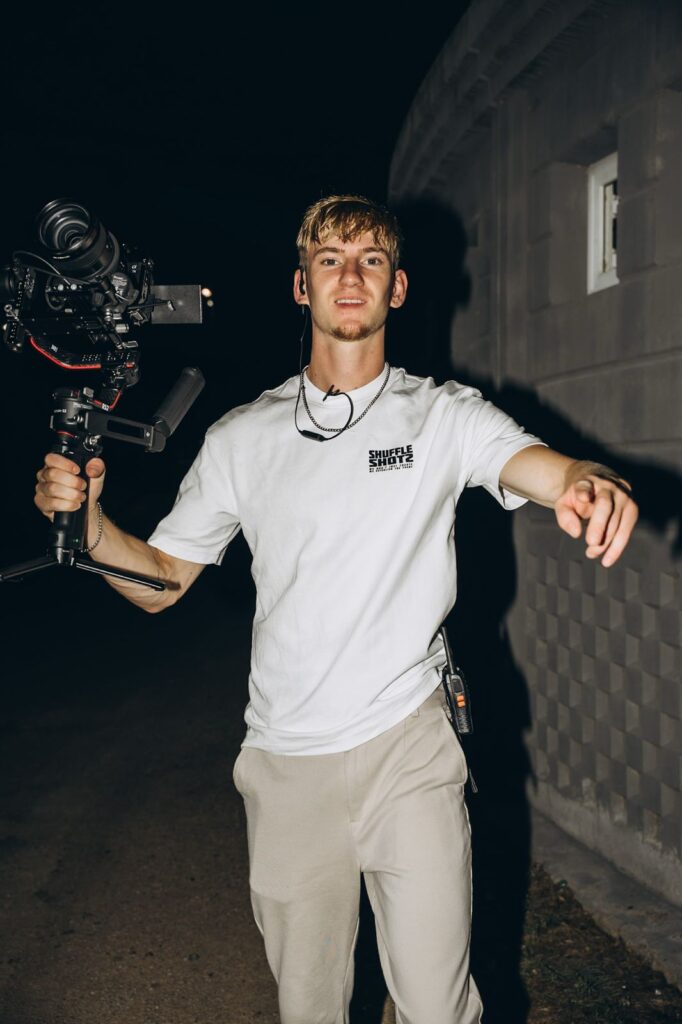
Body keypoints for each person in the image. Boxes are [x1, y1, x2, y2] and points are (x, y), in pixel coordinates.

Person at [34, 195, 638, 1024]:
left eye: (370, 260)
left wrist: (585, 482)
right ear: (301, 285)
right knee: (310, 1008)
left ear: (397, 288)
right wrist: (93, 526)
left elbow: (541, 465)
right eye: (330, 259)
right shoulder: (242, 438)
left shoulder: (442, 416)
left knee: (438, 1008)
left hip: (409, 748)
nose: (350, 274)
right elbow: (164, 581)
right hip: (287, 765)